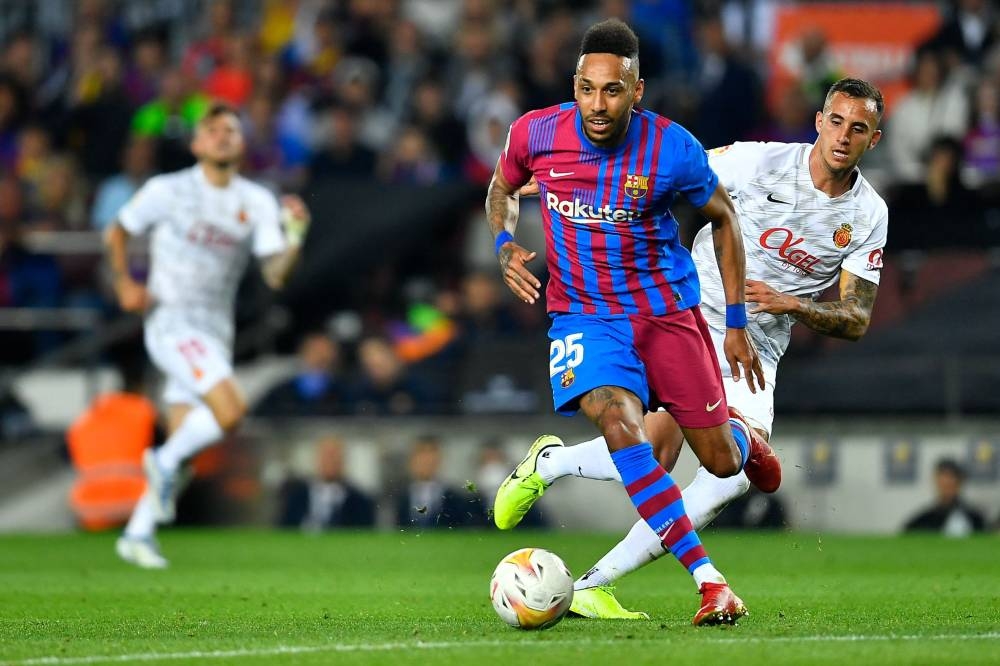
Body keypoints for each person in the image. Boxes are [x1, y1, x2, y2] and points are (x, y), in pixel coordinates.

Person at [507, 78, 889, 619]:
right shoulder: (759, 163)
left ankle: (576, 533)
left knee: (717, 474)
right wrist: (562, 179)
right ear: (819, 120)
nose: (843, 136)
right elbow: (661, 169)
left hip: (761, 348)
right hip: (691, 316)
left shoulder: (870, 214)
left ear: (874, 139)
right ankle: (588, 552)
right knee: (664, 453)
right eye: (836, 121)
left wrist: (792, 305)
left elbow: (855, 319)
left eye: (859, 128)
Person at [486, 18, 772, 626]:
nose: (596, 103)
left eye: (611, 90)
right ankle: (710, 582)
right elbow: (502, 187)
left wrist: (737, 323)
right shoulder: (535, 132)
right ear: (575, 85)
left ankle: (739, 438)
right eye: (586, 89)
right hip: (584, 315)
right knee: (622, 425)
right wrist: (503, 244)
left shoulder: (672, 148)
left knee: (718, 463)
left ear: (636, 90)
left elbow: (724, 219)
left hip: (667, 313)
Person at [106, 103, 310, 568]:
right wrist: (124, 281)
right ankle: (157, 463)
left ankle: (136, 534)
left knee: (186, 447)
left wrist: (295, 236)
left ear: (242, 144)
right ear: (196, 144)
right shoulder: (169, 189)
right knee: (230, 411)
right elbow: (117, 231)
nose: (222, 136)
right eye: (212, 129)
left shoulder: (256, 200)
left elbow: (276, 275)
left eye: (231, 130)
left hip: (215, 331)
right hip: (171, 320)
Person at [277, 436, 376, 531]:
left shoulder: (361, 502)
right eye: (326, 456)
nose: (330, 461)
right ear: (316, 459)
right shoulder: (296, 498)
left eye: (334, 456)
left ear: (343, 460)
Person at [904, 458, 986, 536]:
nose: (948, 482)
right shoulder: (921, 521)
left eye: (952, 478)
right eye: (944, 477)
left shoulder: (975, 520)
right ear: (936, 480)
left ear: (960, 482)